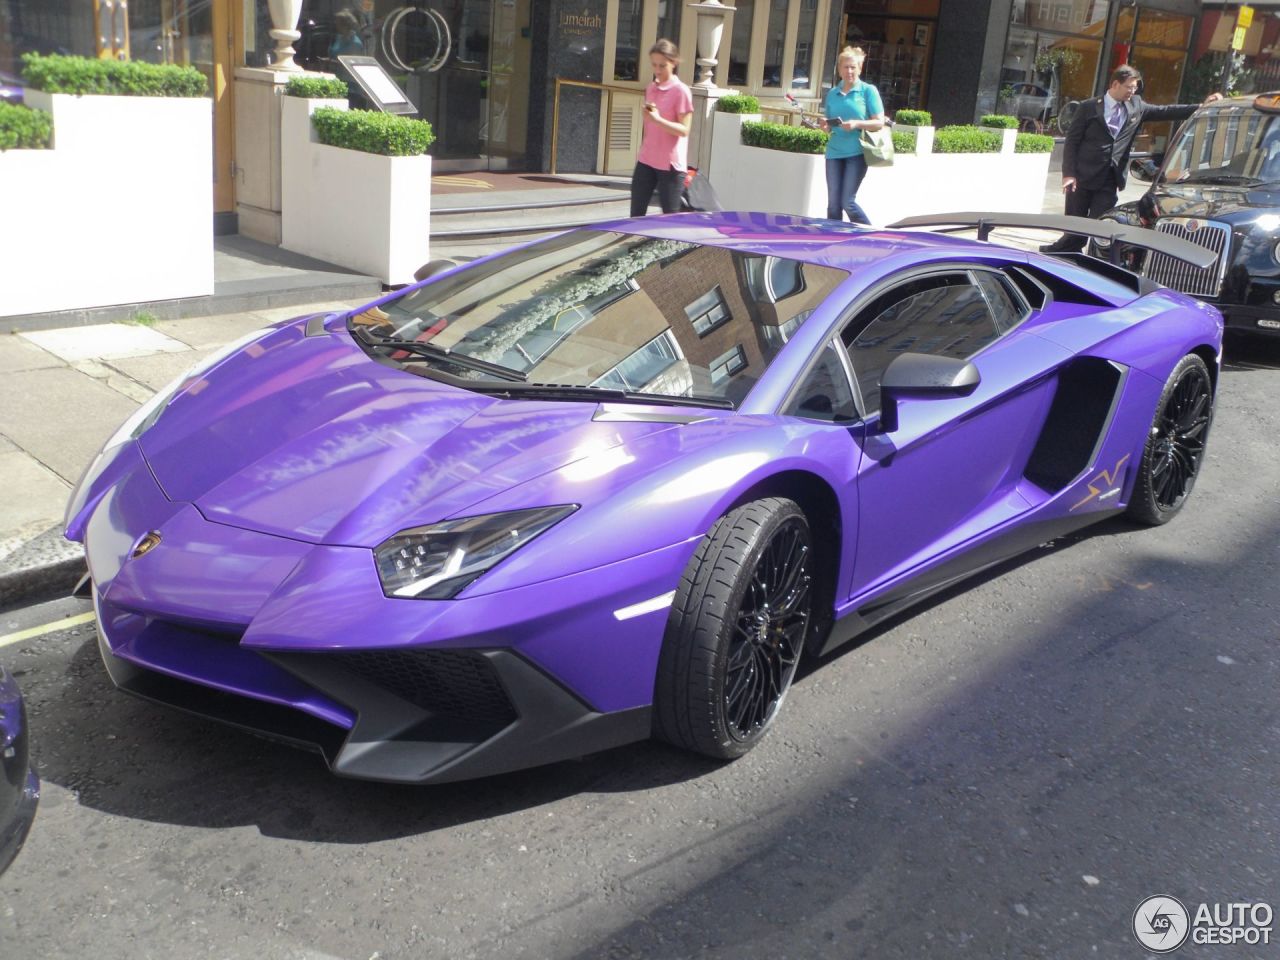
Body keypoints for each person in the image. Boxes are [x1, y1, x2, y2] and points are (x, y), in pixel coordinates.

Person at [1041, 64, 1221, 253]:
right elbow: (1072, 142)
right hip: (1082, 176)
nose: (1132, 91)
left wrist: (1202, 106)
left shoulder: (1136, 106)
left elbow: (1166, 111)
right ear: (1115, 84)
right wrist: (1069, 174)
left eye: (1135, 87)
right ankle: (1064, 251)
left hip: (1110, 178)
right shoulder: (1089, 107)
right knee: (1074, 222)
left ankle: (1093, 257)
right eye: (1129, 87)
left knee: (1100, 223)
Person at [820, 46, 886, 225]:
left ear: (860, 68)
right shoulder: (833, 94)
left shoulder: (867, 91)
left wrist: (857, 124)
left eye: (853, 67)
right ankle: (833, 243)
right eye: (845, 67)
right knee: (833, 205)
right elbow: (830, 122)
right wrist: (825, 125)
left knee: (847, 202)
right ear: (839, 69)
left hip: (857, 153)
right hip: (834, 152)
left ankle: (871, 236)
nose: (849, 71)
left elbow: (879, 121)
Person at [630, 39, 694, 217]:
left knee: (670, 219)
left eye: (662, 66)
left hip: (670, 165)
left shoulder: (681, 91)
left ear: (673, 63)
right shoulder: (651, 88)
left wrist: (657, 120)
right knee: (636, 215)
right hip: (646, 159)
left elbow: (684, 130)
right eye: (654, 65)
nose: (657, 70)